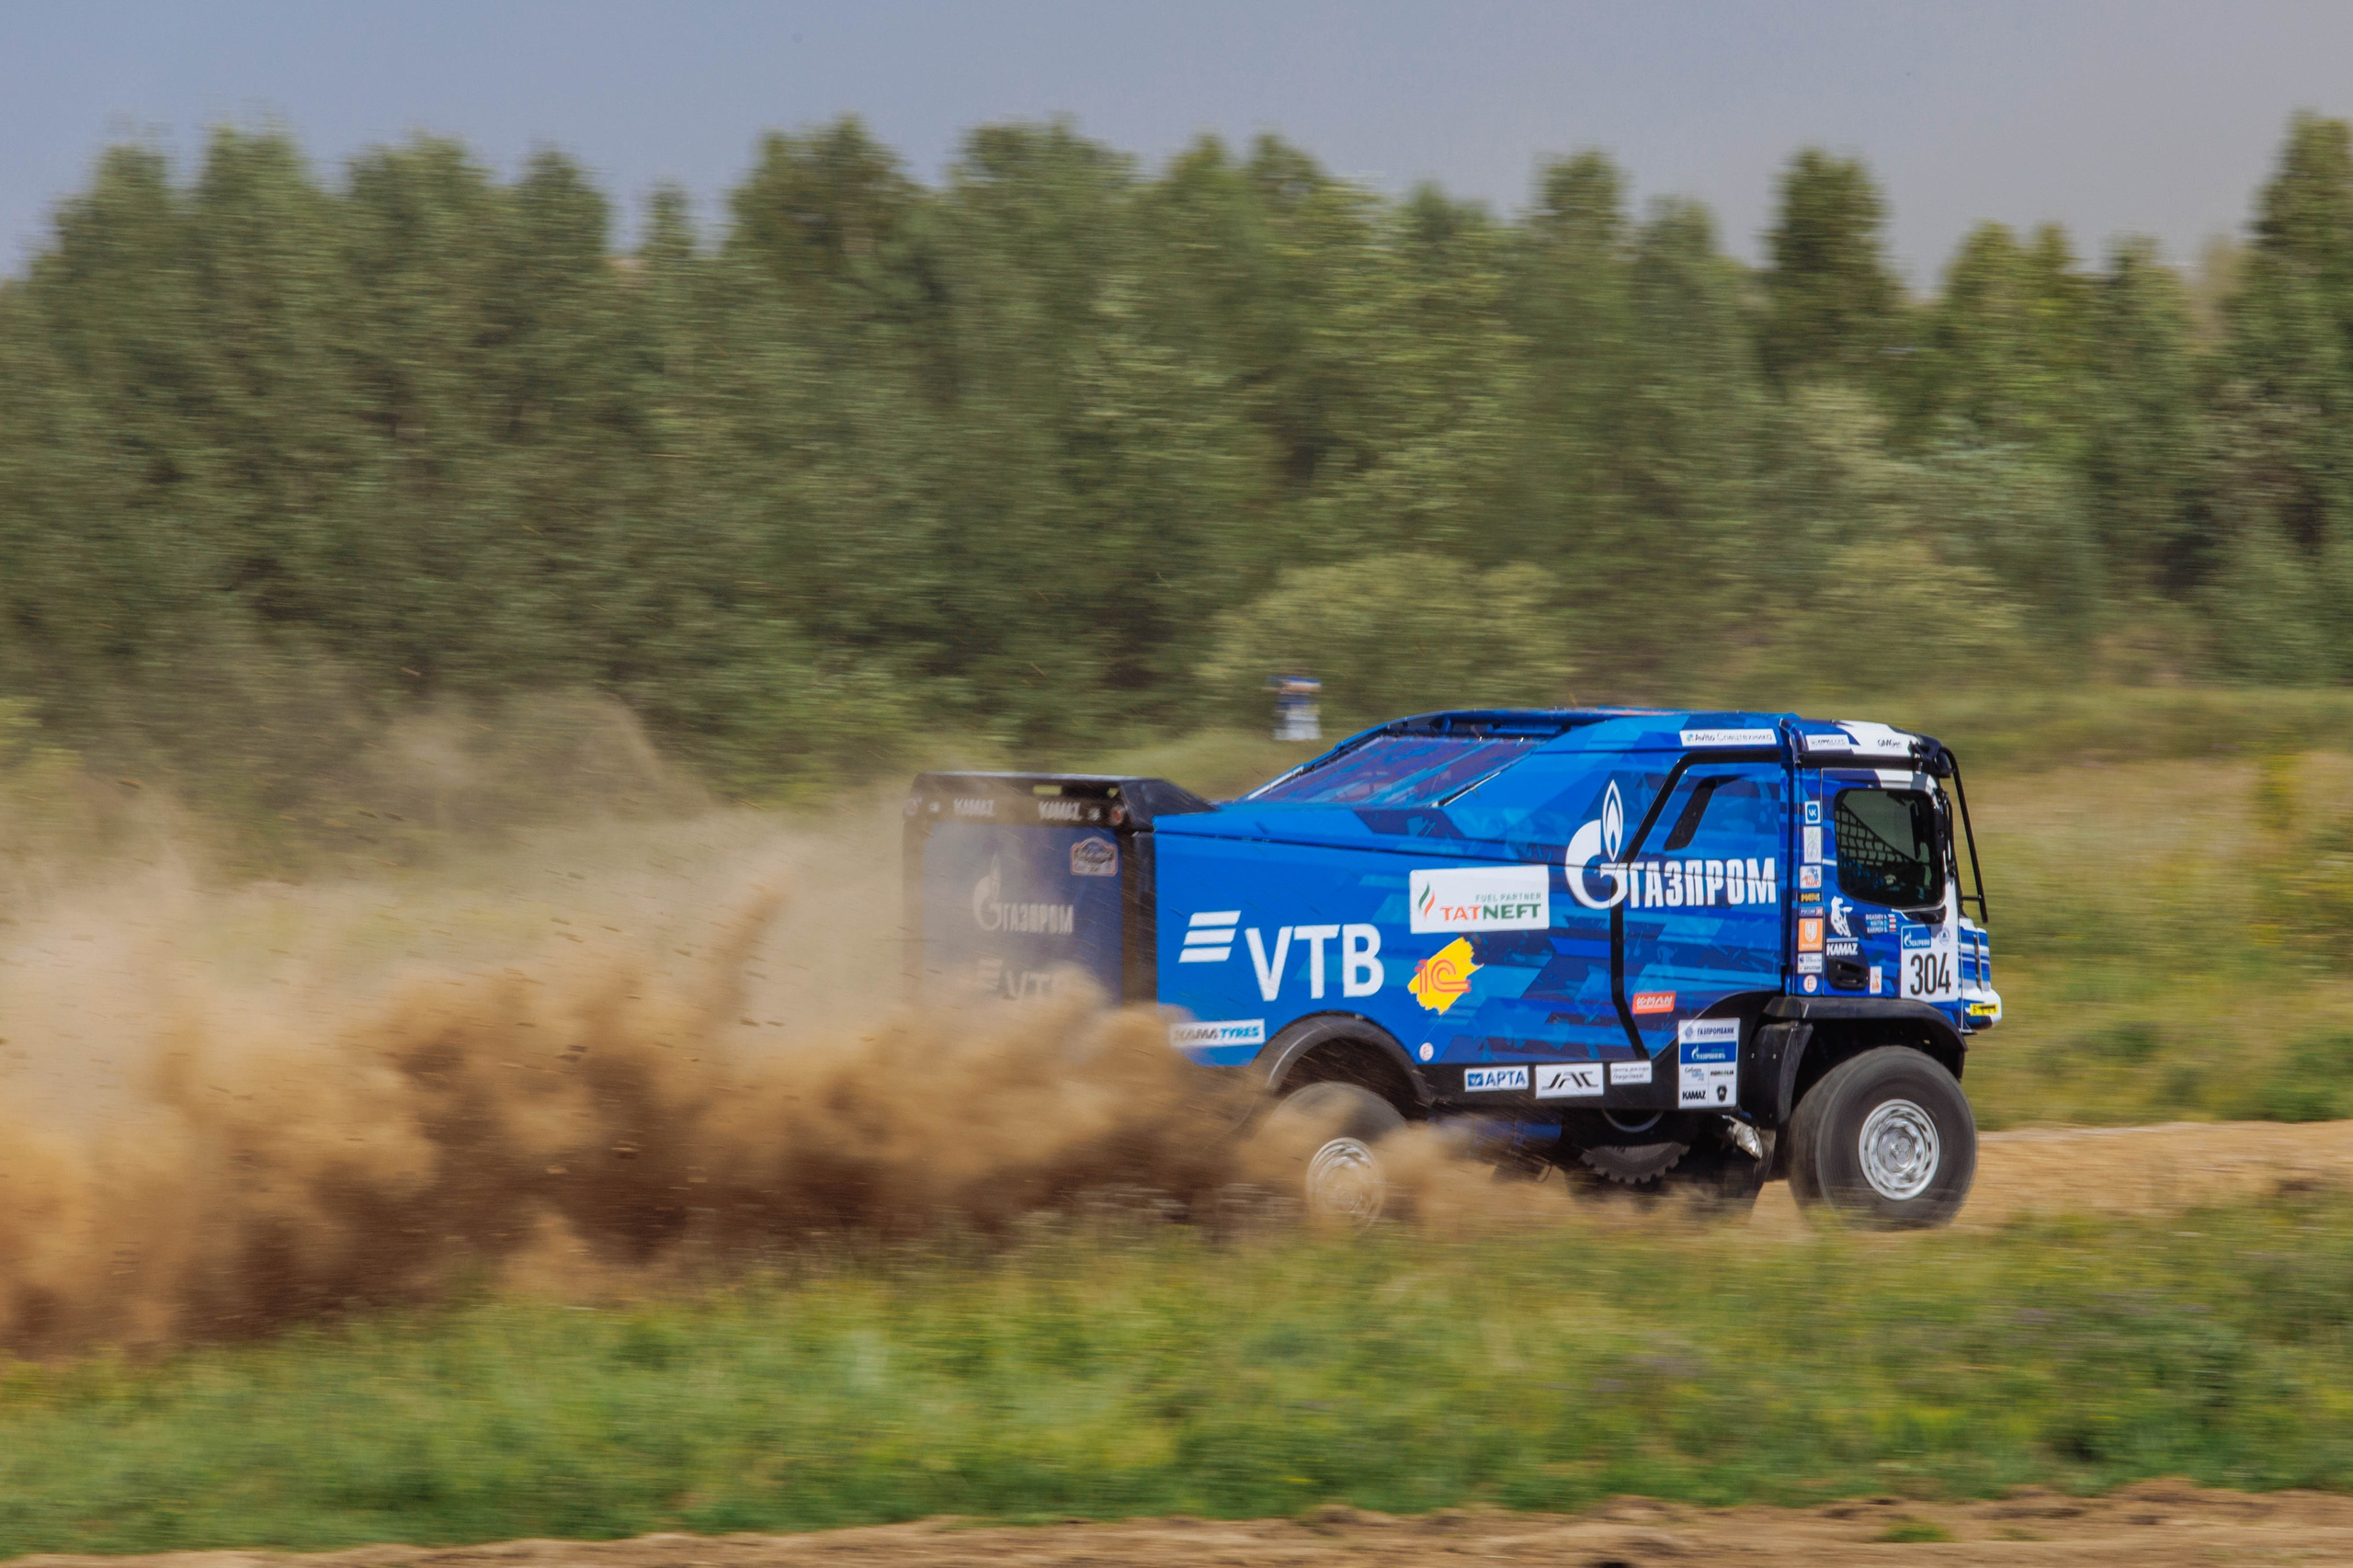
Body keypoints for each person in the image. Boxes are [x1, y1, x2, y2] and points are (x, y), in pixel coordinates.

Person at [1269, 672, 1322, 742]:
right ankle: (1287, 739)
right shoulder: (1290, 679)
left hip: (1303, 706)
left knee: (1307, 725)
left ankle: (1306, 739)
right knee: (1290, 724)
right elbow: (1285, 689)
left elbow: (1315, 689)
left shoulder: (1310, 681)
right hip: (1291, 707)